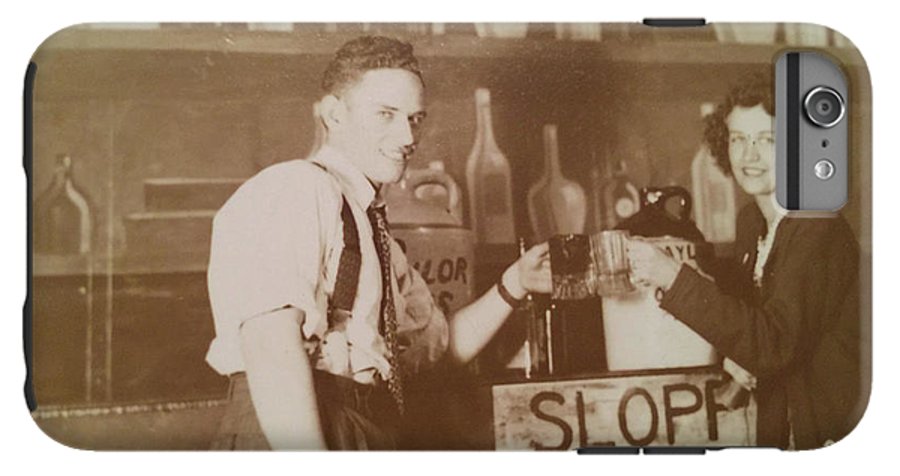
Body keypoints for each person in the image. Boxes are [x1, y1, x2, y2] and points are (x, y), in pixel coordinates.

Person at [205, 35, 551, 450]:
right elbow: (271, 345)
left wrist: (515, 284)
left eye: (415, 118)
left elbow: (435, 351)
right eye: (385, 114)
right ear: (334, 114)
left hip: (357, 425)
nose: (407, 136)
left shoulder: (373, 228)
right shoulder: (296, 187)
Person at [627, 75, 864, 450]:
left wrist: (673, 277)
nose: (749, 155)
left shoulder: (818, 224)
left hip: (830, 432)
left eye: (767, 140)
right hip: (784, 424)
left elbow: (772, 344)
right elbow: (747, 321)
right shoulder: (752, 221)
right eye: (738, 139)